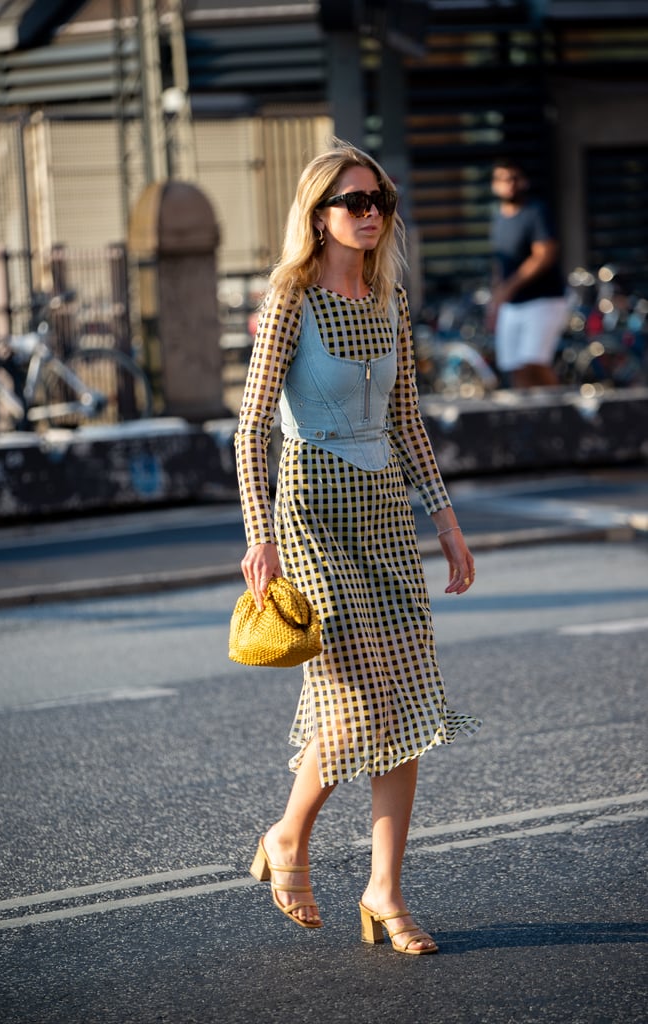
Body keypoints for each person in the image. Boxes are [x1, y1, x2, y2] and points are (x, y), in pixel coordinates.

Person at [235, 140, 481, 956]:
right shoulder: (288, 300)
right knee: (353, 697)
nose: (370, 213)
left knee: (406, 703)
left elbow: (408, 420)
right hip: (312, 514)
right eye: (353, 201)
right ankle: (289, 837)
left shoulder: (389, 301)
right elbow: (249, 432)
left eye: (379, 200)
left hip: (383, 514)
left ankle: (384, 889)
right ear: (318, 215)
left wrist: (445, 522)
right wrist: (259, 536)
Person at [489, 158, 568, 388]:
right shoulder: (498, 218)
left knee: (534, 362)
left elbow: (544, 255)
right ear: (494, 185)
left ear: (523, 182)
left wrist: (509, 287)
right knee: (514, 367)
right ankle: (530, 420)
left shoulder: (536, 212)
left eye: (513, 178)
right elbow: (500, 262)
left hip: (544, 300)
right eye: (503, 179)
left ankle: (560, 413)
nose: (509, 184)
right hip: (512, 305)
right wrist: (496, 299)